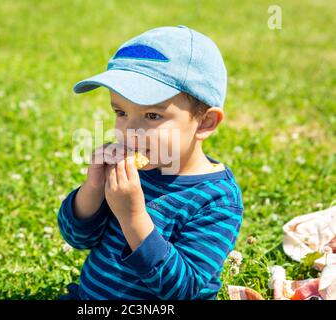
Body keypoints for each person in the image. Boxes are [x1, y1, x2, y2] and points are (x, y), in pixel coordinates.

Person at [57, 25, 244, 300]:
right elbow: (77, 237)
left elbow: (183, 290)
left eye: (152, 116)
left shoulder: (217, 200)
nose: (129, 130)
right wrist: (93, 187)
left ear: (205, 123)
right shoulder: (129, 172)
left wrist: (132, 217)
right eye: (120, 112)